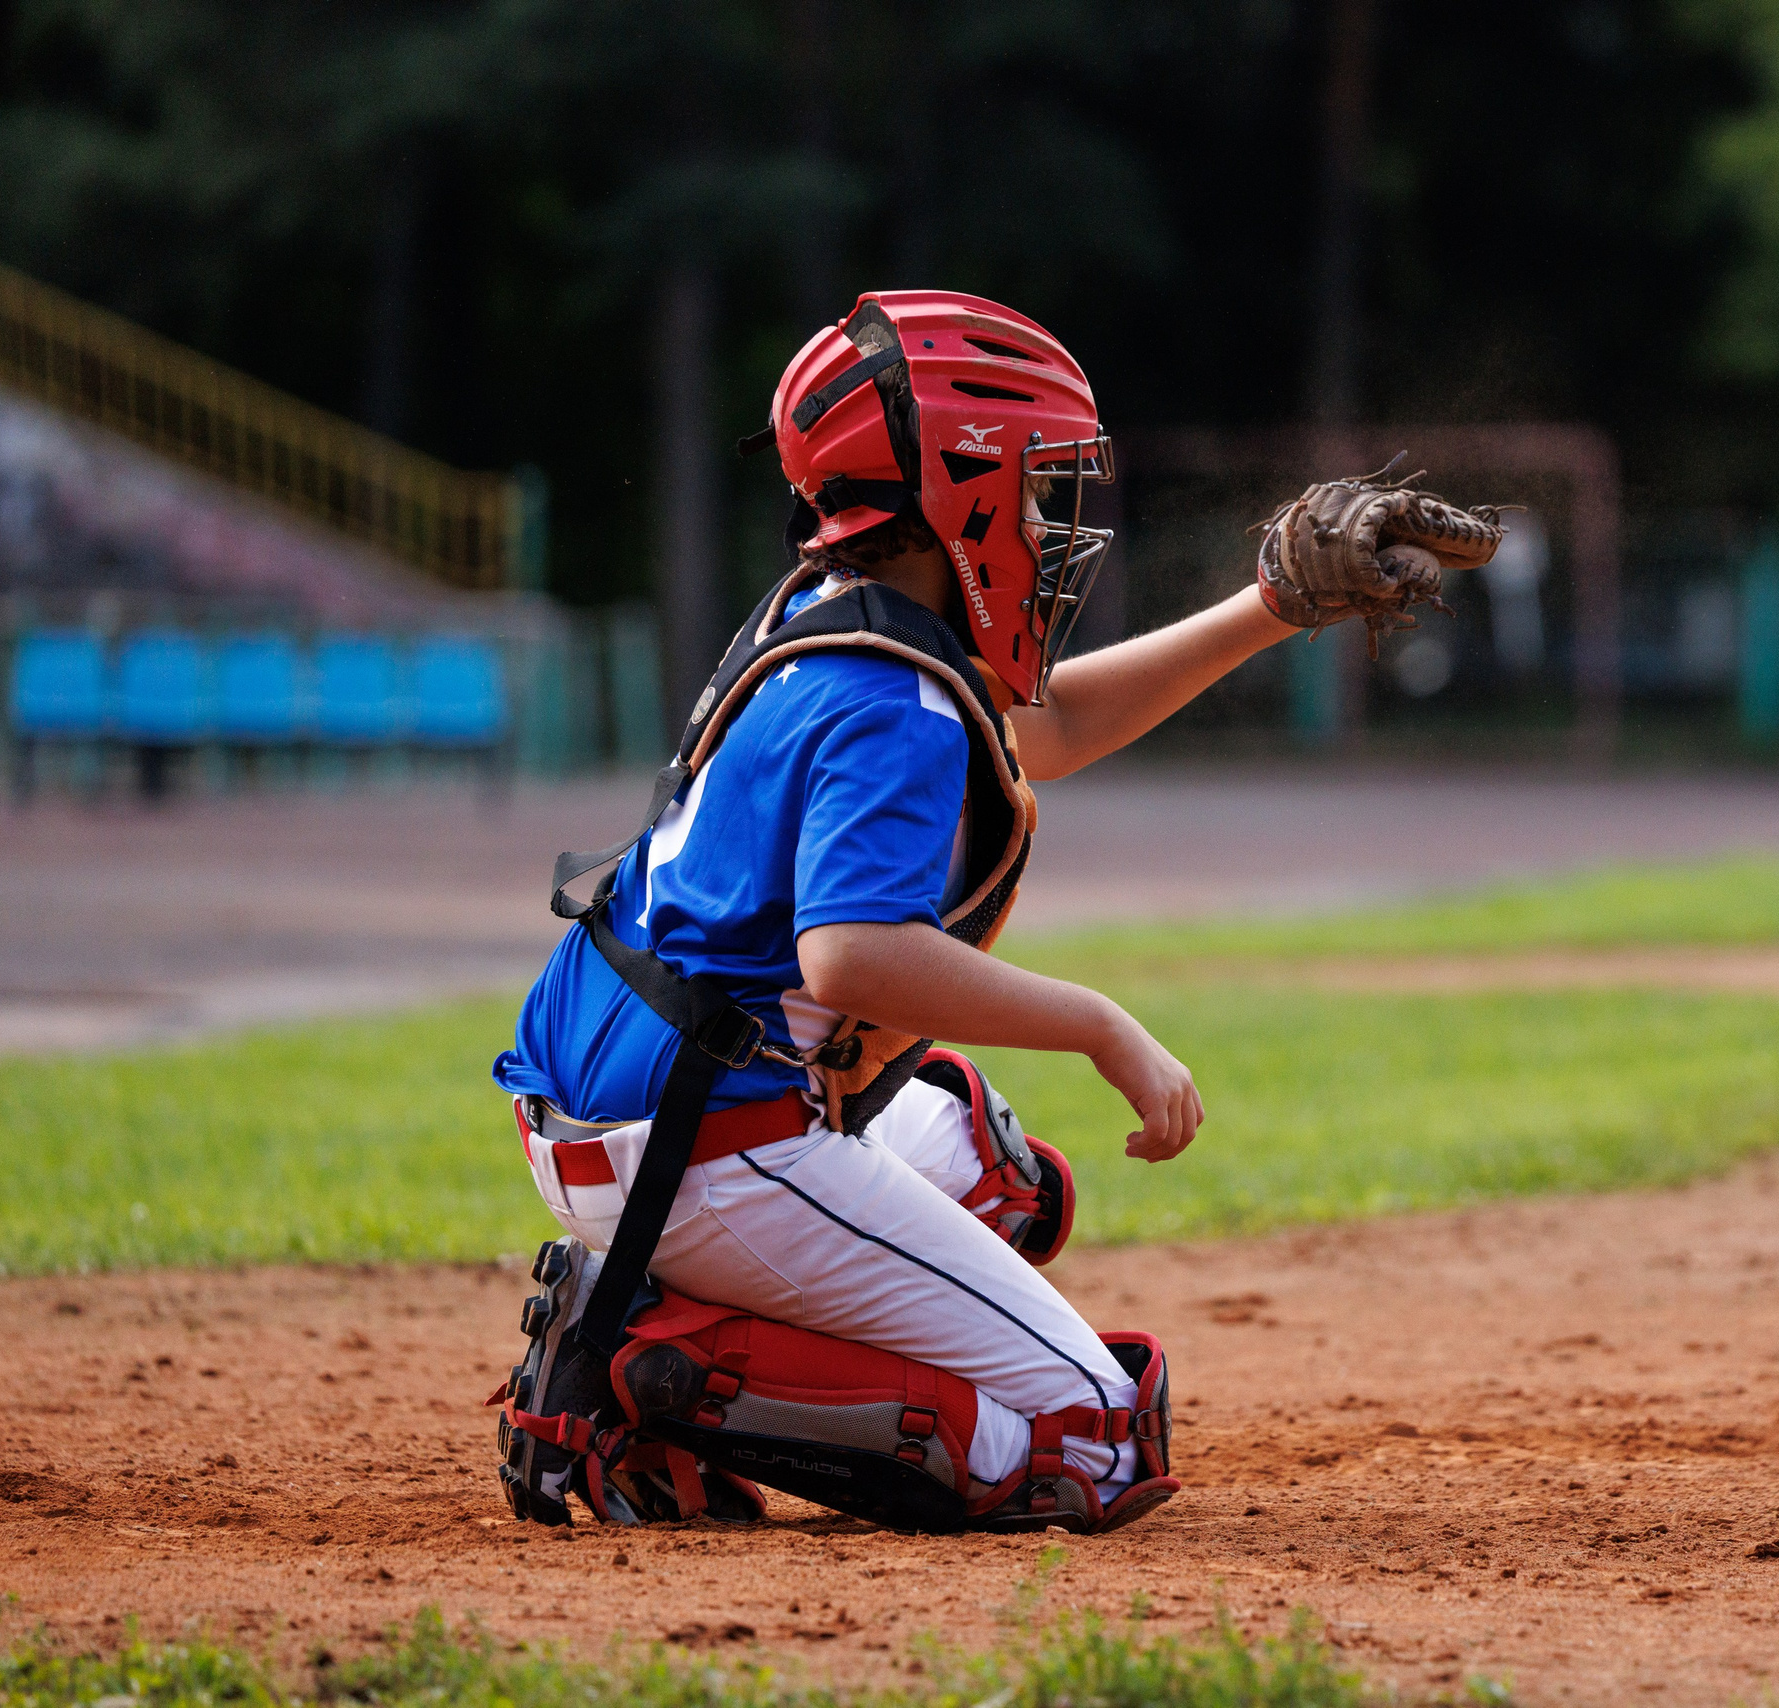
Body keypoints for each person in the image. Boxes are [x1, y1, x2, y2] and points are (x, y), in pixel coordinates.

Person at [485, 290, 1317, 1536]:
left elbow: (1053, 728)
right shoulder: (891, 694)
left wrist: (1275, 607)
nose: (1049, 522)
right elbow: (855, 953)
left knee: (1000, 1172)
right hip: (708, 1143)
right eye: (1033, 489)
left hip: (629, 1107)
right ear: (959, 493)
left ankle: (643, 1293)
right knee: (1088, 1438)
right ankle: (642, 1377)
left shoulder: (823, 615)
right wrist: (1101, 1023)